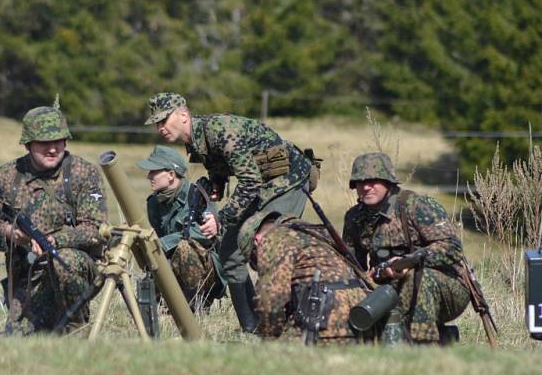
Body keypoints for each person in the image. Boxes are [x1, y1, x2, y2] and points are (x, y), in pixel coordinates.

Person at [144, 92, 314, 332]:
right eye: (157, 123)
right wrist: (216, 183)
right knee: (230, 253)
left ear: (183, 115)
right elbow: (224, 169)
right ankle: (252, 327)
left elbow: (249, 181)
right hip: (259, 186)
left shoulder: (219, 131)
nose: (160, 128)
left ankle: (288, 322)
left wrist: (220, 220)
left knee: (273, 245)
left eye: (164, 120)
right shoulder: (195, 140)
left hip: (288, 181)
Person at [0, 105, 108, 333]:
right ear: (28, 144)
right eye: (44, 143)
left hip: (73, 269)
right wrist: (12, 234)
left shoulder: (84, 173)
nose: (53, 149)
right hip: (27, 278)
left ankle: (76, 330)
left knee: (65, 261)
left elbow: (93, 229)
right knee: (20, 338)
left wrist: (54, 241)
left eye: (58, 142)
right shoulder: (6, 177)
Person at [342, 152, 471, 343]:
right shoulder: (354, 217)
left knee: (418, 277)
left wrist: (411, 262)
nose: (366, 187)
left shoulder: (416, 206)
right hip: (388, 288)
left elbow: (452, 248)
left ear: (388, 182)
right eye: (360, 182)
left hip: (447, 289)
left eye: (372, 181)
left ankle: (423, 348)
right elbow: (351, 266)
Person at [237, 209, 370, 344]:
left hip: (325, 318)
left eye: (255, 258)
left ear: (257, 240)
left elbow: (271, 299)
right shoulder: (315, 232)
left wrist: (268, 338)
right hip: (362, 315)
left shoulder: (273, 238)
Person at [135, 145, 226, 311]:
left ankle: (195, 307)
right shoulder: (154, 203)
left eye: (154, 172)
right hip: (174, 264)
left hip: (206, 270)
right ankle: (162, 304)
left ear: (171, 175)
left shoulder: (197, 196)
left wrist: (162, 243)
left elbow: (203, 233)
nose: (149, 176)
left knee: (184, 247)